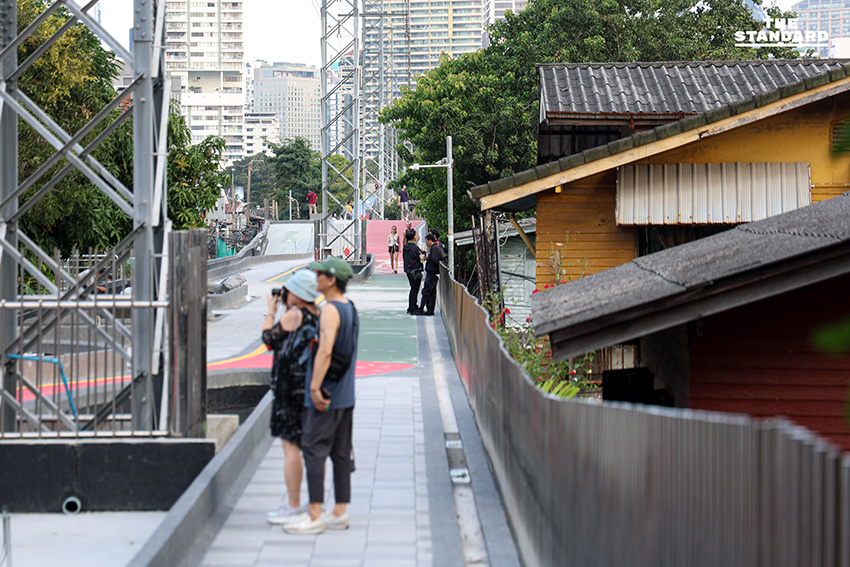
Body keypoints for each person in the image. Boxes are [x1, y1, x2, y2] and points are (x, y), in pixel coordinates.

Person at [284, 256, 357, 535]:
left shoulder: (329, 310)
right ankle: (340, 511)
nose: (315, 279)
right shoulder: (350, 308)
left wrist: (314, 387)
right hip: (345, 394)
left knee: (314, 450)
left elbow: (326, 351)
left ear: (331, 280)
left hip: (326, 396)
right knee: (340, 453)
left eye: (319, 275)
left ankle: (314, 514)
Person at [261, 269, 321, 526]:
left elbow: (268, 340)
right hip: (307, 386)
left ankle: (293, 504)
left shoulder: (293, 316)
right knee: (308, 447)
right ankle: (311, 503)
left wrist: (271, 310)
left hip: (288, 389)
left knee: (291, 448)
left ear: (298, 292)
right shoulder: (316, 314)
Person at [418, 233, 444, 316]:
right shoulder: (435, 248)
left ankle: (422, 308)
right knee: (432, 292)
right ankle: (430, 309)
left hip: (432, 273)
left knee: (426, 291)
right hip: (433, 273)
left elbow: (435, 260)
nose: (426, 243)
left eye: (426, 241)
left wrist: (428, 259)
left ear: (430, 240)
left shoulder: (435, 248)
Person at [402, 228, 424, 315]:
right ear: (414, 237)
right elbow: (420, 257)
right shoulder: (415, 248)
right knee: (414, 290)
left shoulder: (406, 247)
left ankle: (413, 306)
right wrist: (424, 253)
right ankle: (412, 307)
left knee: (413, 289)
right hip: (415, 270)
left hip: (408, 270)